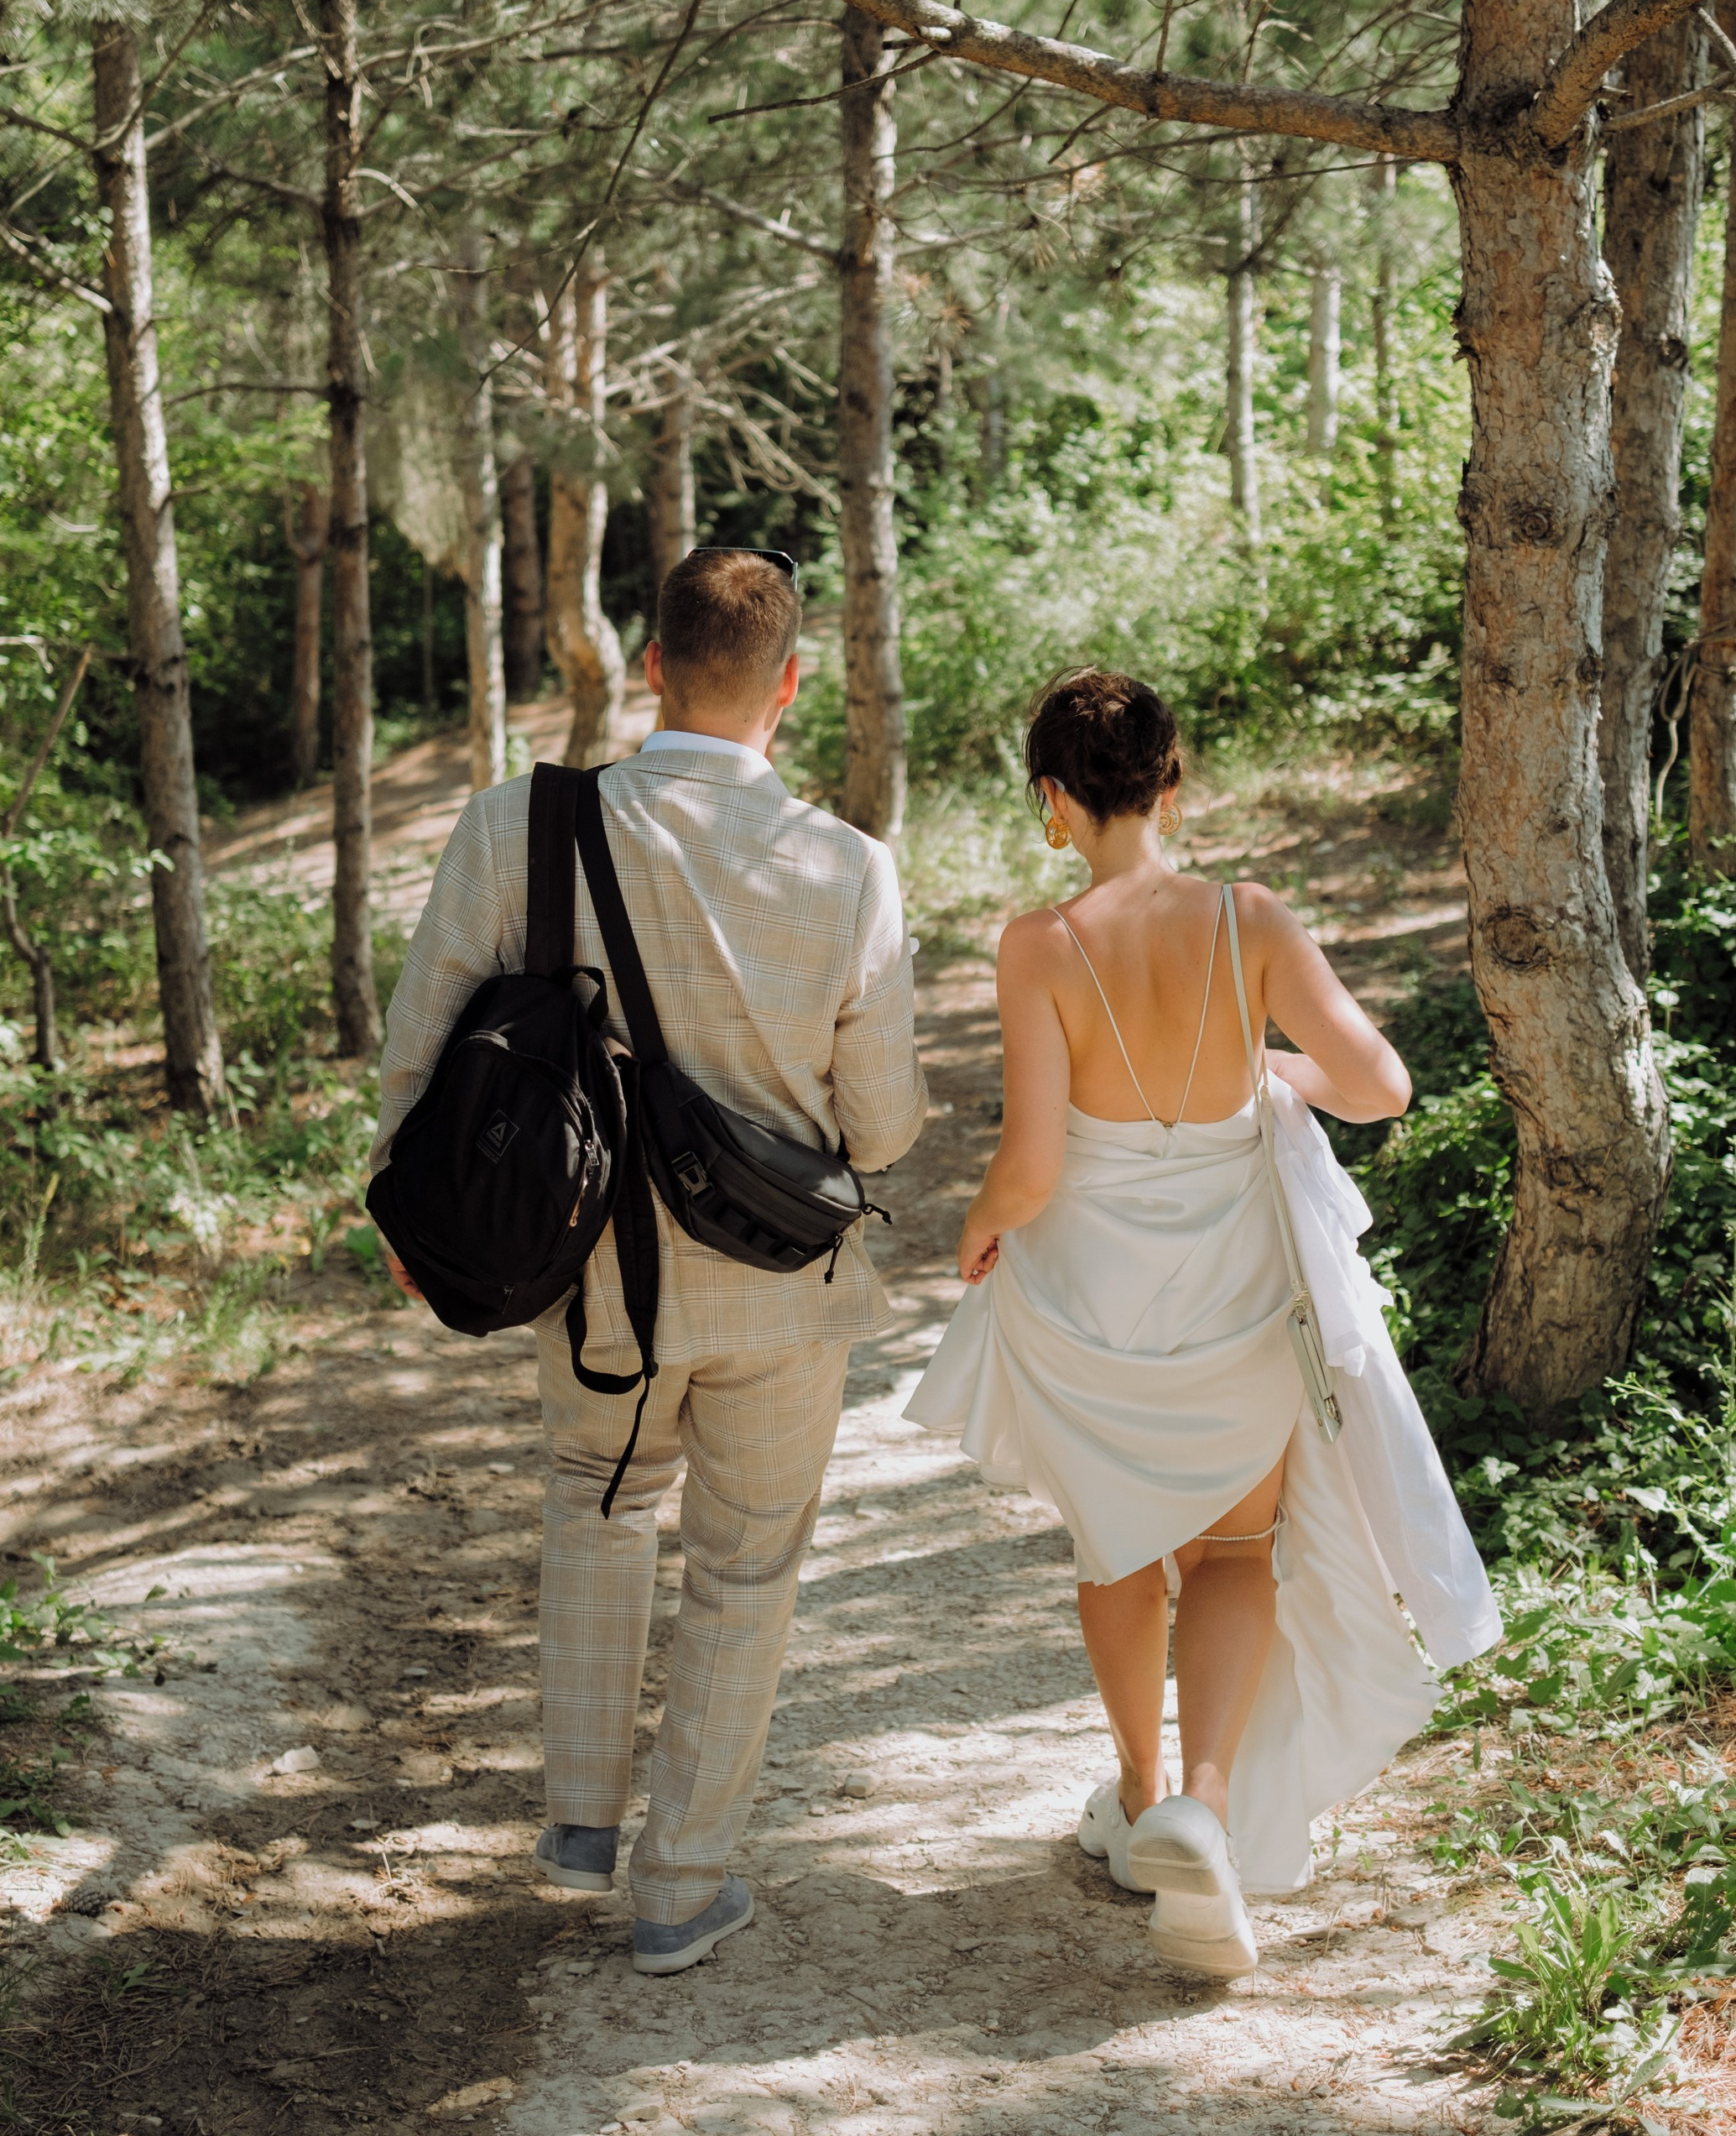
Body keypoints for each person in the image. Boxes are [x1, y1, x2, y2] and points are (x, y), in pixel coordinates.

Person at [371, 546, 928, 1977]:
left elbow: (424, 1045)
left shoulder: (519, 826)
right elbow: (887, 1125)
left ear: (651, 669)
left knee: (594, 1502)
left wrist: (408, 1214)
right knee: (746, 1572)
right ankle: (680, 1882)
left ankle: (576, 1822)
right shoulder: (846, 865)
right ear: (788, 687)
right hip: (780, 1291)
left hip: (590, 1275)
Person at [906, 668, 1497, 1979]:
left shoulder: (1039, 945)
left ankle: (1134, 1792)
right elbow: (1379, 1084)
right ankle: (1208, 1809)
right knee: (1236, 1552)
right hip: (1235, 1291)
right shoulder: (1252, 918)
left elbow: (1036, 1165)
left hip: (1095, 1299)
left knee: (1117, 1545)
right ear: (1176, 779)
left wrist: (977, 1228)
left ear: (1052, 801)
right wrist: (1273, 1067)